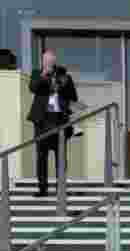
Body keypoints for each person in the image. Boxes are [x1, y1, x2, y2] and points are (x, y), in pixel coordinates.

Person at [27, 48, 78, 198]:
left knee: (61, 157)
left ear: (54, 61)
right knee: (41, 156)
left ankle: (60, 188)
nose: (48, 62)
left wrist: (64, 85)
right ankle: (42, 188)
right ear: (42, 61)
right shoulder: (37, 73)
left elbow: (73, 97)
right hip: (42, 120)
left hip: (59, 119)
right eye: (45, 60)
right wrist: (44, 74)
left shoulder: (64, 76)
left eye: (50, 60)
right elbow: (33, 88)